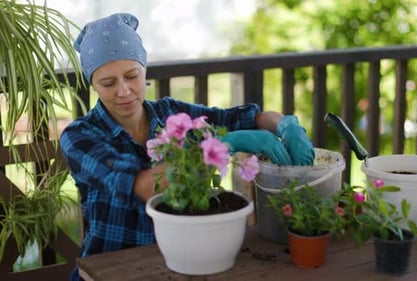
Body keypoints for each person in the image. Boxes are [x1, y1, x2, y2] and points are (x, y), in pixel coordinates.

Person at [59, 12, 314, 280]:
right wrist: (221, 145)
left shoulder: (171, 113)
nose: (123, 91)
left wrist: (286, 124)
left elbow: (242, 117)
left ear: (144, 69)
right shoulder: (80, 136)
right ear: (94, 85)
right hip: (109, 271)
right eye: (108, 83)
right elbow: (146, 186)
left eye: (132, 76)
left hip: (181, 266)